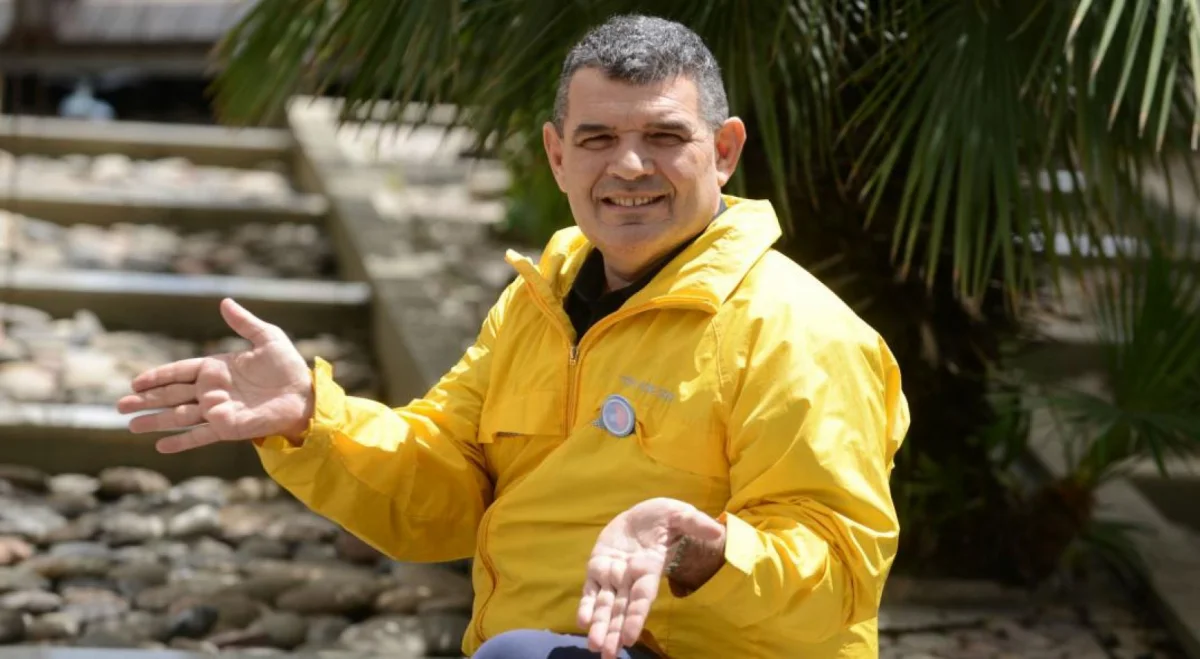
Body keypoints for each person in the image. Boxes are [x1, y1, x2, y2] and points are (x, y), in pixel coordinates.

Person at [118, 14, 909, 659]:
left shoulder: (797, 330)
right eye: (597, 140)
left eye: (665, 137)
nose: (630, 166)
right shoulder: (539, 302)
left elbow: (840, 575)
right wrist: (312, 419)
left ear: (724, 150)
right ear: (557, 156)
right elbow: (441, 496)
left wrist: (704, 549)